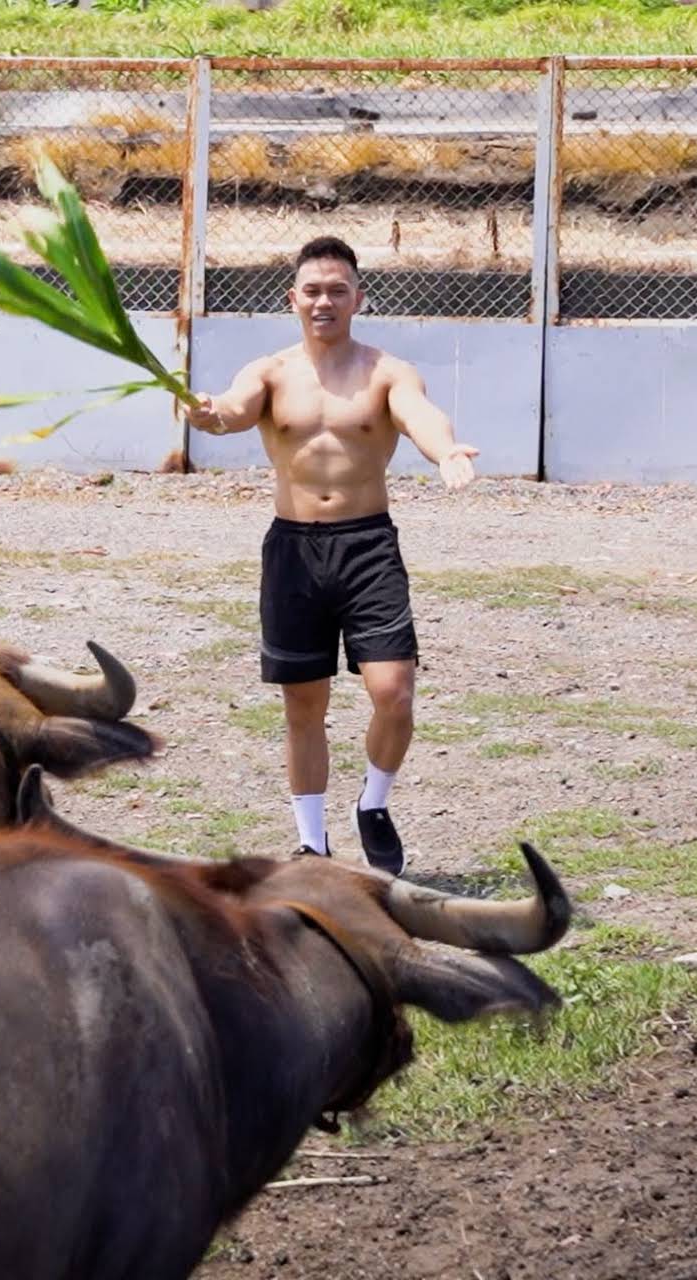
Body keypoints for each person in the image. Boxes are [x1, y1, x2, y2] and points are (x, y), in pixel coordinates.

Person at [184, 236, 478, 877]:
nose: (324, 301)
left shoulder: (386, 372)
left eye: (337, 290)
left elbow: (421, 415)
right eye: (312, 290)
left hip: (367, 545)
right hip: (293, 551)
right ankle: (312, 844)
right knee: (303, 705)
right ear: (293, 298)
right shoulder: (269, 372)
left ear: (357, 298)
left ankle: (373, 805)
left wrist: (447, 451)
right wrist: (207, 414)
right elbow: (232, 411)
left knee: (393, 693)